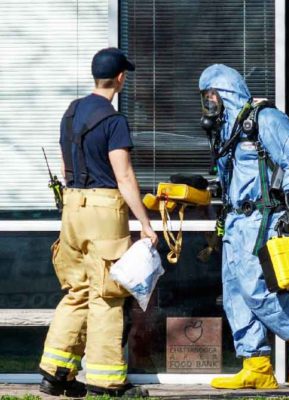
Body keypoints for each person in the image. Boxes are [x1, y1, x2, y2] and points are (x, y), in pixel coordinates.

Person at [198, 64, 289, 390]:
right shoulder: (227, 128)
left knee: (257, 289)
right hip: (233, 221)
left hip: (260, 217)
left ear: (224, 91)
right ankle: (256, 365)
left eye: (211, 95)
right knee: (235, 294)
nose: (209, 102)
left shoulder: (264, 119)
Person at [39, 47, 158, 398]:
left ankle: (55, 373)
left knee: (76, 291)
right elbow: (123, 176)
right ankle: (105, 383)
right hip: (104, 210)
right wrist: (146, 224)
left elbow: (66, 168)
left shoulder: (71, 113)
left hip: (72, 208)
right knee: (107, 296)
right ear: (120, 78)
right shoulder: (113, 120)